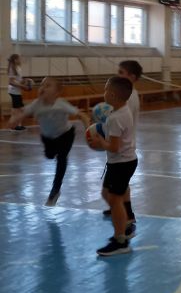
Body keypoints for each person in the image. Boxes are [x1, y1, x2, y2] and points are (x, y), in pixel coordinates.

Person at [8, 77, 89, 206]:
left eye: (48, 85)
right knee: (49, 155)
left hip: (66, 135)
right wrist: (14, 120)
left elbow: (81, 115)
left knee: (62, 158)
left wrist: (88, 130)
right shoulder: (36, 104)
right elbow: (21, 115)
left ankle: (55, 190)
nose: (43, 87)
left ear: (57, 92)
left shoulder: (61, 104)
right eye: (42, 85)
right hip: (48, 138)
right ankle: (54, 156)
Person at [91, 76, 138, 257]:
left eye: (105, 90)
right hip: (122, 162)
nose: (103, 93)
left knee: (114, 200)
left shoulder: (116, 118)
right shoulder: (122, 110)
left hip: (121, 163)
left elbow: (114, 147)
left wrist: (100, 142)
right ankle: (126, 222)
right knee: (107, 194)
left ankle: (121, 241)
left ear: (112, 95)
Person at [105, 60, 143, 236]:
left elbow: (118, 122)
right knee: (118, 190)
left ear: (132, 77)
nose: (117, 75)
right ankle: (124, 213)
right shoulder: (130, 96)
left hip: (122, 152)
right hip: (123, 151)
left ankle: (124, 223)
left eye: (121, 72)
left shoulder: (129, 99)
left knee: (115, 193)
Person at [7, 54, 31, 131]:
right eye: (19, 59)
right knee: (17, 110)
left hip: (17, 91)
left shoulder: (18, 68)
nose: (20, 60)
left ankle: (17, 125)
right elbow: (11, 82)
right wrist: (22, 86)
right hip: (13, 91)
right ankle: (14, 126)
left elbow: (18, 80)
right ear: (15, 60)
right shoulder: (12, 68)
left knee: (19, 109)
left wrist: (25, 80)